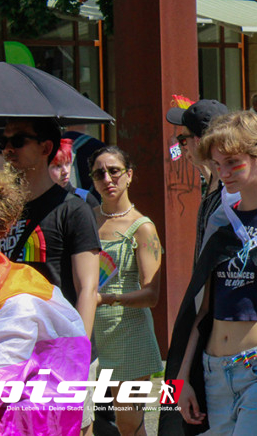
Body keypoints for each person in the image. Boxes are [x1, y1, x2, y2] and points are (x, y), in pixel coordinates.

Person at [166, 111, 257, 436]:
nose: (223, 173)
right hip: (213, 372)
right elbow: (202, 309)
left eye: (233, 162)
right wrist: (181, 378)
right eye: (217, 164)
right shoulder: (221, 221)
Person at [0, 118, 100, 435]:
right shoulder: (1, 214)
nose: (8, 149)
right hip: (11, 350)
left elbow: (88, 288)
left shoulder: (72, 209)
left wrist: (76, 356)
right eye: (3, 142)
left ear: (45, 147)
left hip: (59, 350)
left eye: (18, 141)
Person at [90, 146, 164, 436]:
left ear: (129, 175)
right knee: (90, 421)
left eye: (114, 171)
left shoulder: (142, 227)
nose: (107, 179)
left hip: (130, 336)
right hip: (92, 335)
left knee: (129, 424)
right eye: (99, 174)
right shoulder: (87, 219)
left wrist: (106, 299)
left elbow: (152, 295)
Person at [166, 97, 230, 266]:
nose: (183, 146)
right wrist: (201, 165)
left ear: (198, 141)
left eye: (183, 139)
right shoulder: (218, 179)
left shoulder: (232, 189)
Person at [50, 137, 100, 206]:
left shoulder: (85, 198)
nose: (65, 171)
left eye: (68, 163)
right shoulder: (37, 199)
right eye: (58, 166)